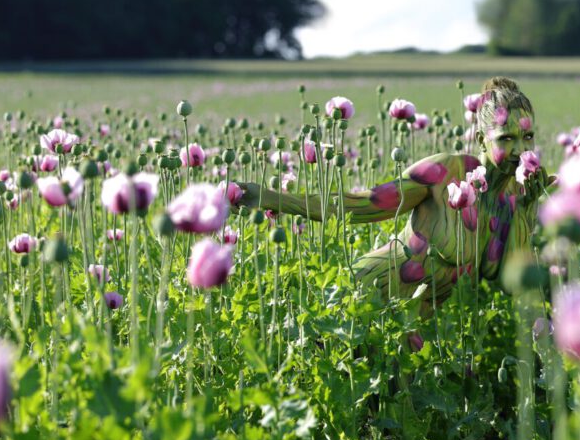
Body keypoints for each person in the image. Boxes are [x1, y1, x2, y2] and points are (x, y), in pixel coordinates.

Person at [235, 77, 554, 327]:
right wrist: (273, 198)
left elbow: (509, 283)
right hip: (368, 296)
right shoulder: (445, 171)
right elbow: (363, 206)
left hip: (417, 321)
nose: (518, 149)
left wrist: (525, 216)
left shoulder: (514, 199)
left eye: (526, 137)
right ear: (483, 138)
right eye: (506, 138)